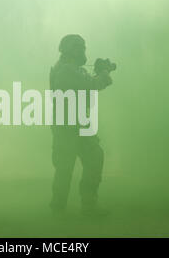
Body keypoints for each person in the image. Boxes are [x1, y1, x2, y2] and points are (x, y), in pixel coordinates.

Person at [49, 34, 115, 217]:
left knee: (92, 159)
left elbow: (85, 86)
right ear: (72, 49)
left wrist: (100, 73)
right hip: (68, 127)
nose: (83, 51)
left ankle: (84, 207)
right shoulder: (67, 70)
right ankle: (59, 209)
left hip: (76, 124)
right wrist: (104, 73)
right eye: (80, 47)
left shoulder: (69, 68)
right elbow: (92, 85)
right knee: (65, 168)